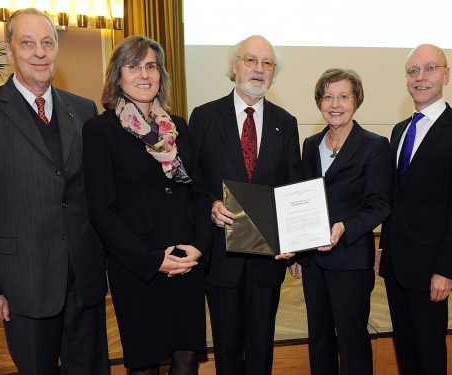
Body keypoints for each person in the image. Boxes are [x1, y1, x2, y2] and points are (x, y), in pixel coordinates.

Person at [0, 8, 109, 374]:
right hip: (22, 282)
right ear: (9, 52)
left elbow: (96, 193)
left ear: (57, 50)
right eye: (27, 43)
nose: (39, 52)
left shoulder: (84, 110)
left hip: (83, 280)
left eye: (47, 43)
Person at [82, 36, 211, 375]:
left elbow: (198, 193)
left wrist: (199, 246)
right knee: (144, 364)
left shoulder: (178, 127)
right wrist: (151, 261)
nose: (144, 74)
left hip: (185, 262)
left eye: (151, 66)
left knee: (186, 358)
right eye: (134, 66)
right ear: (117, 76)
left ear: (161, 74)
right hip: (137, 268)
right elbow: (101, 209)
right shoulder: (100, 130)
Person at [188, 35, 300, 375]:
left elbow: (292, 188)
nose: (259, 69)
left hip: (268, 260)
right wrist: (209, 205)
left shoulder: (286, 122)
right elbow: (192, 182)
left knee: (261, 344)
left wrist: (294, 240)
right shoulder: (204, 117)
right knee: (226, 344)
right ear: (235, 65)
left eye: (268, 64)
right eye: (251, 60)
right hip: (222, 257)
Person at [377, 44, 452, 375]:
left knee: (429, 353)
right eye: (413, 71)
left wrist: (447, 270)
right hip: (397, 263)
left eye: (430, 69)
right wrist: (383, 246)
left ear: (446, 74)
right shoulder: (399, 130)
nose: (420, 77)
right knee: (406, 349)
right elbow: (394, 199)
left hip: (432, 269)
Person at [290, 68, 391, 374]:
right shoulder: (310, 144)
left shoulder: (374, 145)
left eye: (343, 96)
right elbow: (301, 198)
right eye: (328, 96)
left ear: (356, 100)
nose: (335, 104)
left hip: (350, 259)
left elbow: (380, 205)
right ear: (319, 102)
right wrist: (297, 248)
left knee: (352, 342)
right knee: (319, 338)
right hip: (314, 262)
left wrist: (346, 226)